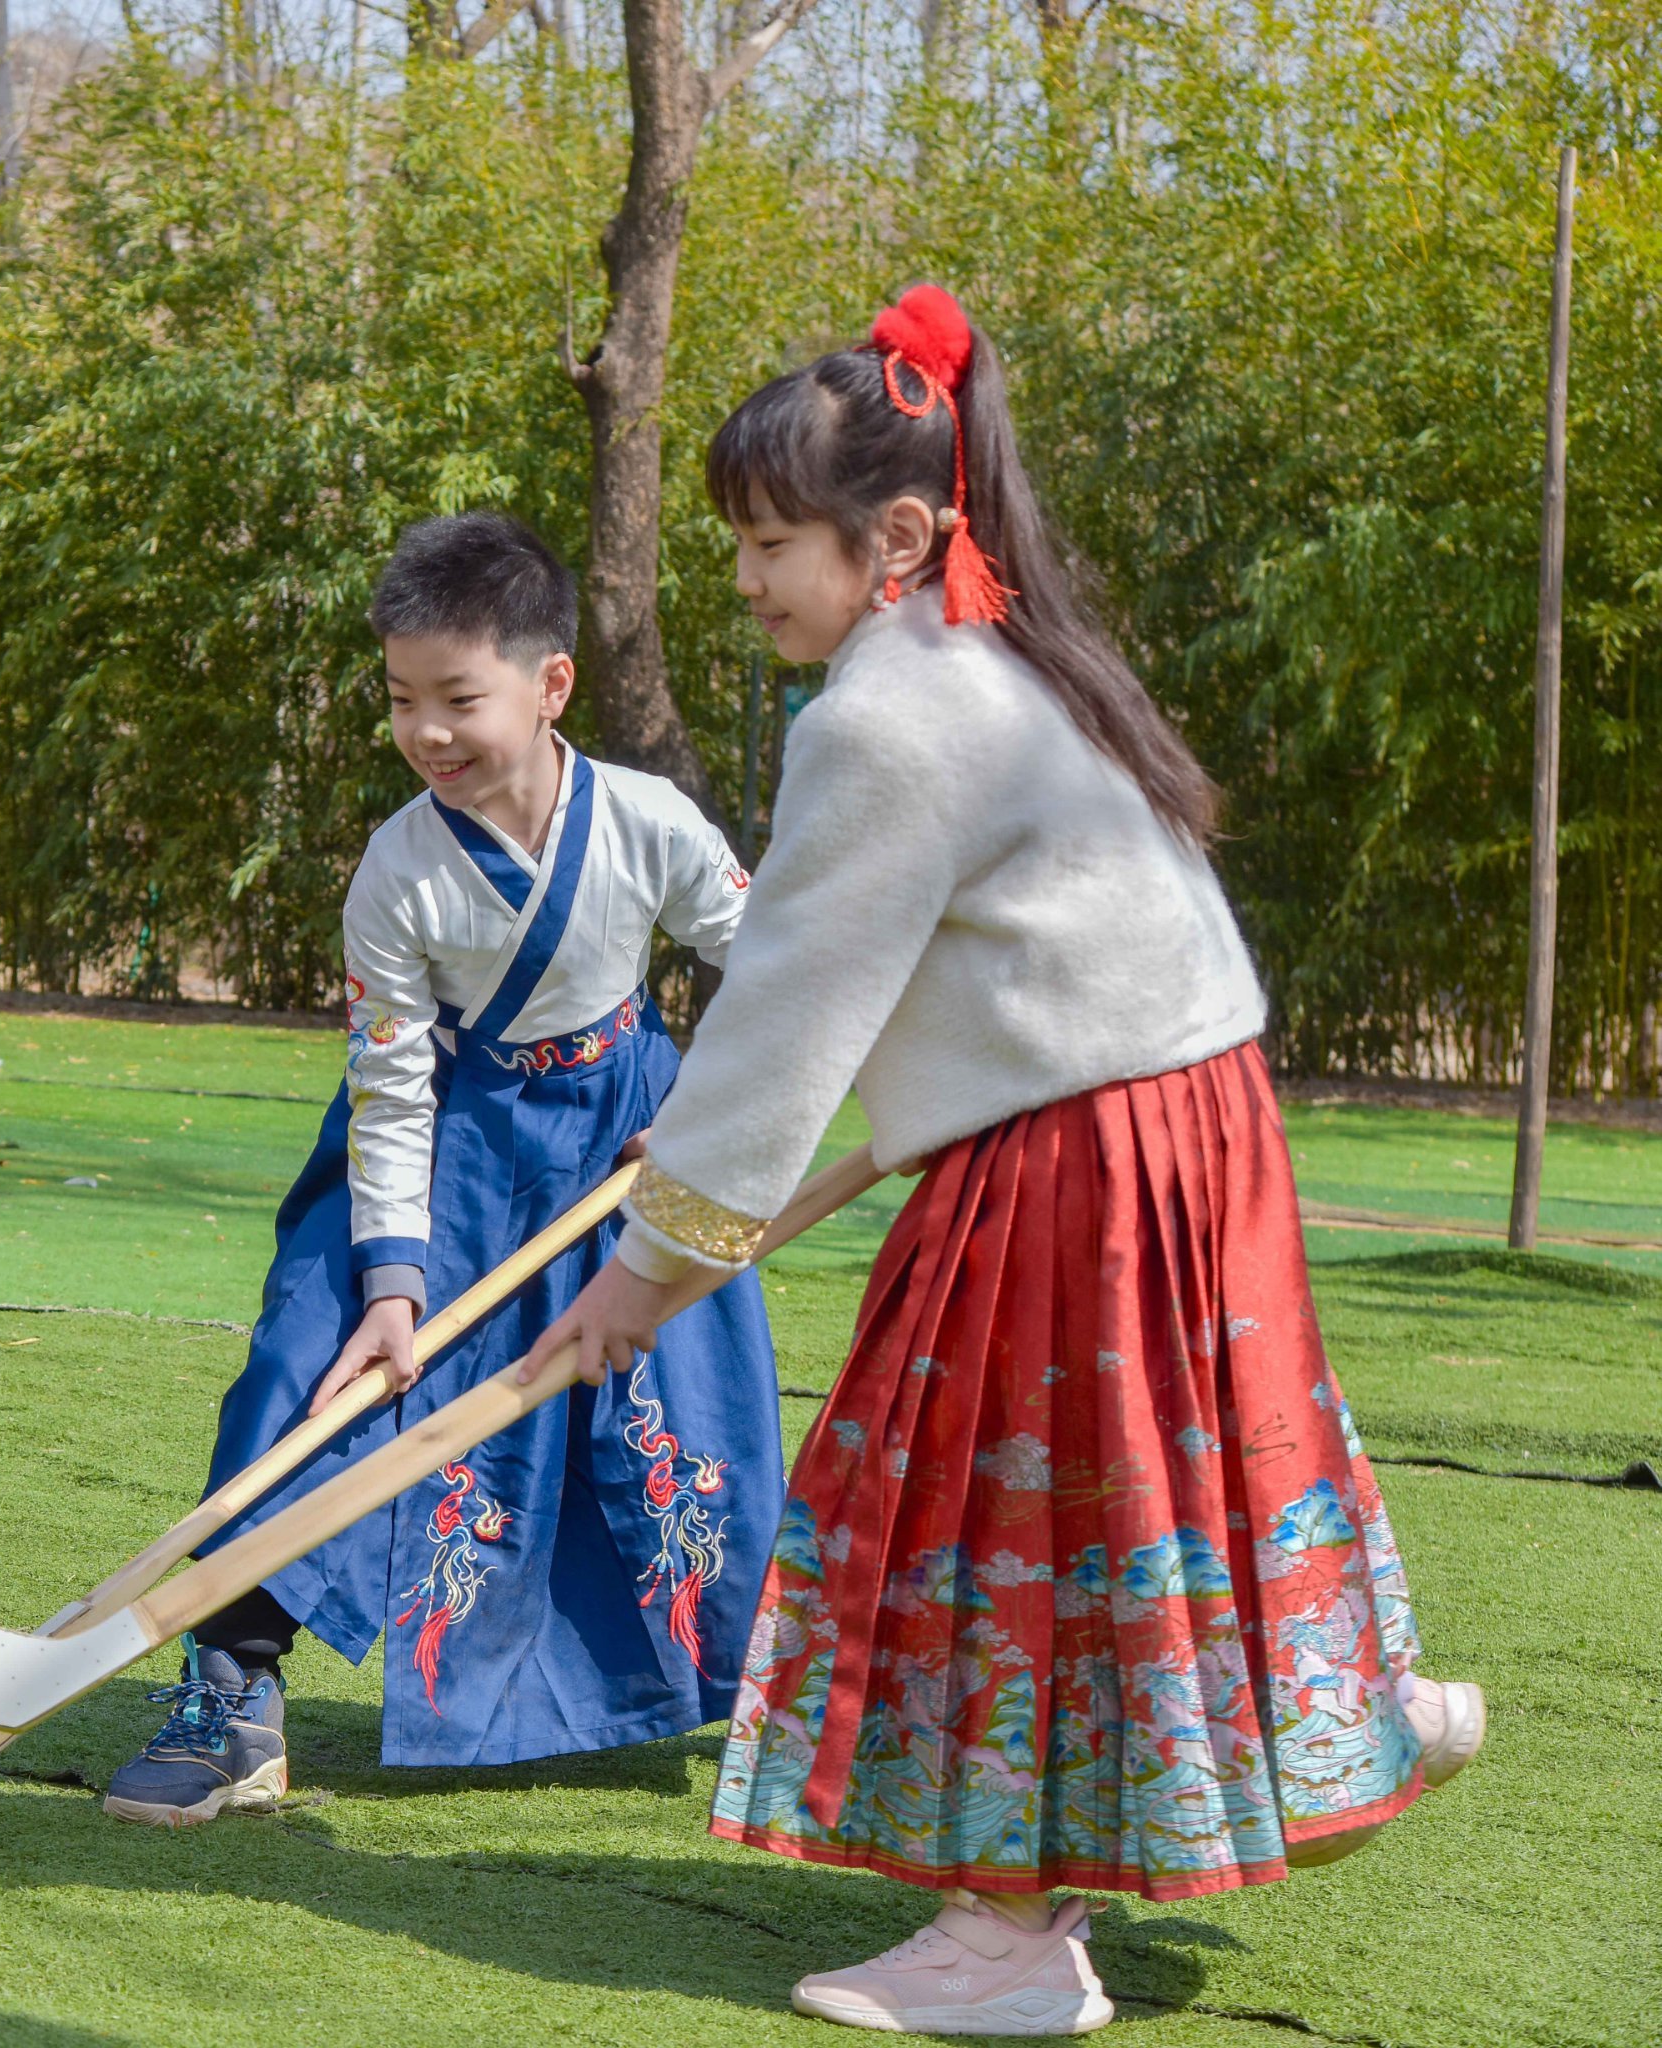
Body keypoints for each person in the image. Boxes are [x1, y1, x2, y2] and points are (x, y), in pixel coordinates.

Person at [516, 285, 1486, 2035]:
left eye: (765, 544)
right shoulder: (1008, 660)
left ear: (893, 536)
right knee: (1173, 1457)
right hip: (1182, 1125)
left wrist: (649, 1273)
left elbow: (795, 1007)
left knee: (1000, 1492)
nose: (742, 581)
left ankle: (1011, 1935)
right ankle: (1334, 1713)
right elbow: (944, 973)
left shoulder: (890, 717)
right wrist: (715, 1176)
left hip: (1081, 1161)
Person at [102, 511, 783, 1827]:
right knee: (309, 1374)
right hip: (442, 1139)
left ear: (549, 685)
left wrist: (703, 1113)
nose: (426, 733)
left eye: (457, 699)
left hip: (626, 1130)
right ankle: (229, 1690)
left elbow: (771, 962)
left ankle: (759, 1694)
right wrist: (392, 1286)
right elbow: (393, 1083)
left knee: (684, 1414)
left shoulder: (647, 824)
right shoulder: (395, 874)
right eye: (401, 700)